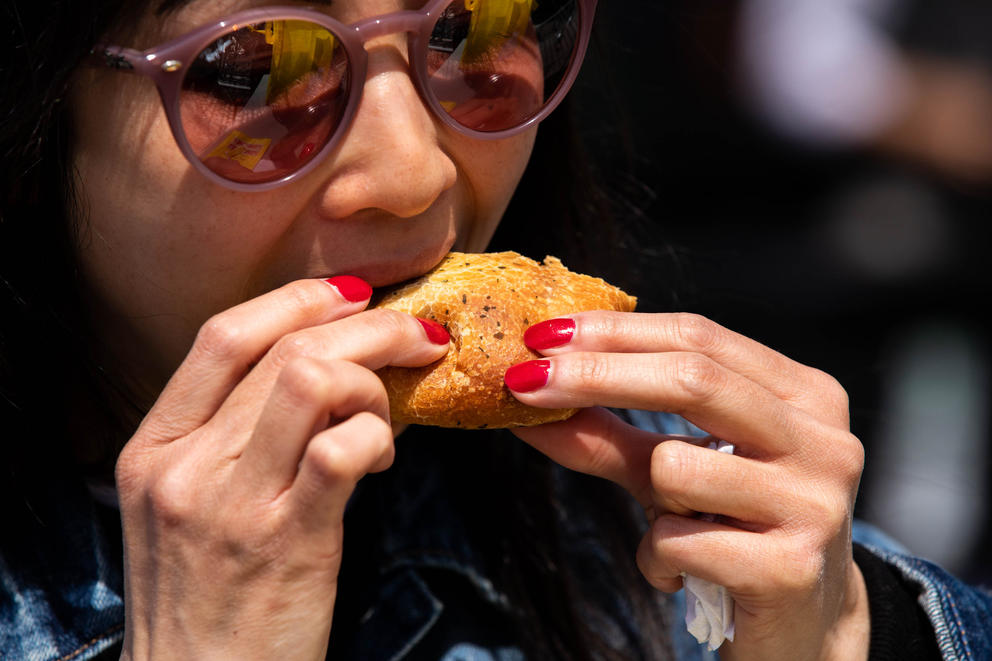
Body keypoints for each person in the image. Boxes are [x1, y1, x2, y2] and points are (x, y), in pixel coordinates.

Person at [0, 1, 989, 660]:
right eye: (259, 71)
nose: (413, 175)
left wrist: (859, 623)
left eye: (475, 32)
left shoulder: (638, 478)